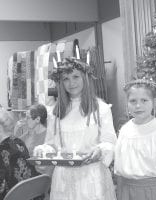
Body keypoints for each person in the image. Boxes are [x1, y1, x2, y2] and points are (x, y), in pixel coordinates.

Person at [34, 56, 117, 200]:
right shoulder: (56, 111)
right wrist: (43, 151)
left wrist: (100, 150)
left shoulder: (101, 109)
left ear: (85, 77)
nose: (71, 83)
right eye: (66, 79)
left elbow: (110, 142)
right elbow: (51, 145)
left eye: (75, 76)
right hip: (63, 180)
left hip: (92, 177)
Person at [114, 79, 156, 200]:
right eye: (133, 101)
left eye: (144, 100)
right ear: (127, 103)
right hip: (128, 192)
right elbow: (119, 173)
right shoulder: (125, 131)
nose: (138, 106)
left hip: (154, 192)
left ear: (154, 102)